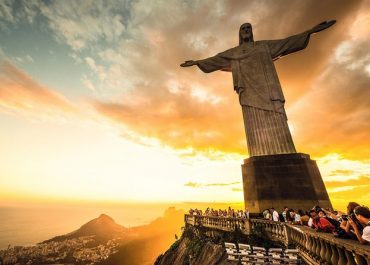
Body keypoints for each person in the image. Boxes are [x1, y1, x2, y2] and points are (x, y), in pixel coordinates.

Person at [181, 20, 335, 156]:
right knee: (254, 125)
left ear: (252, 32)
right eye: (243, 29)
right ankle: (260, 154)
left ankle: (285, 151)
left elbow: (287, 43)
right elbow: (216, 59)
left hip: (269, 91)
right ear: (240, 34)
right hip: (249, 94)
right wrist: (197, 62)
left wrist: (310, 31)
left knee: (277, 117)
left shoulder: (264, 45)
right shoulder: (233, 52)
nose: (247, 30)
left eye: (249, 28)